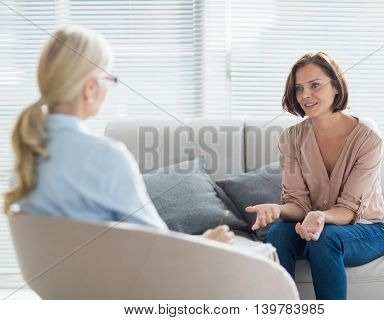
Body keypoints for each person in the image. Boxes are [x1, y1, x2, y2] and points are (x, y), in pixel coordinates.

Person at [4, 25, 233, 244]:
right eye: (108, 78)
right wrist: (207, 245)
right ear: (90, 88)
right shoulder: (106, 157)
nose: (109, 87)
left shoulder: (26, 160)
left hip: (57, 285)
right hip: (113, 284)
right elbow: (157, 249)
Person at [245, 52, 384, 300]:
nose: (305, 96)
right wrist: (277, 210)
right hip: (314, 225)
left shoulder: (368, 141)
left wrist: (321, 216)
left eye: (315, 85)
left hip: (367, 228)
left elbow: (348, 210)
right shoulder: (290, 139)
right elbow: (299, 204)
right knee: (277, 233)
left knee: (325, 239)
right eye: (299, 88)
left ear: (336, 85)